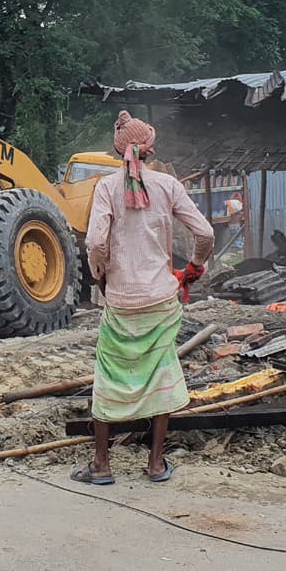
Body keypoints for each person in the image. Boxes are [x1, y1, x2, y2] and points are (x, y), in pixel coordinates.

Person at [74, 111, 214, 485]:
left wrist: (100, 275)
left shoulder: (105, 187)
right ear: (150, 149)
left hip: (121, 301)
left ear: (118, 149)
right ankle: (155, 465)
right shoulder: (167, 185)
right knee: (161, 375)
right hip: (161, 299)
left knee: (108, 379)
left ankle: (102, 466)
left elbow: (94, 242)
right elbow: (204, 233)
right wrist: (195, 267)